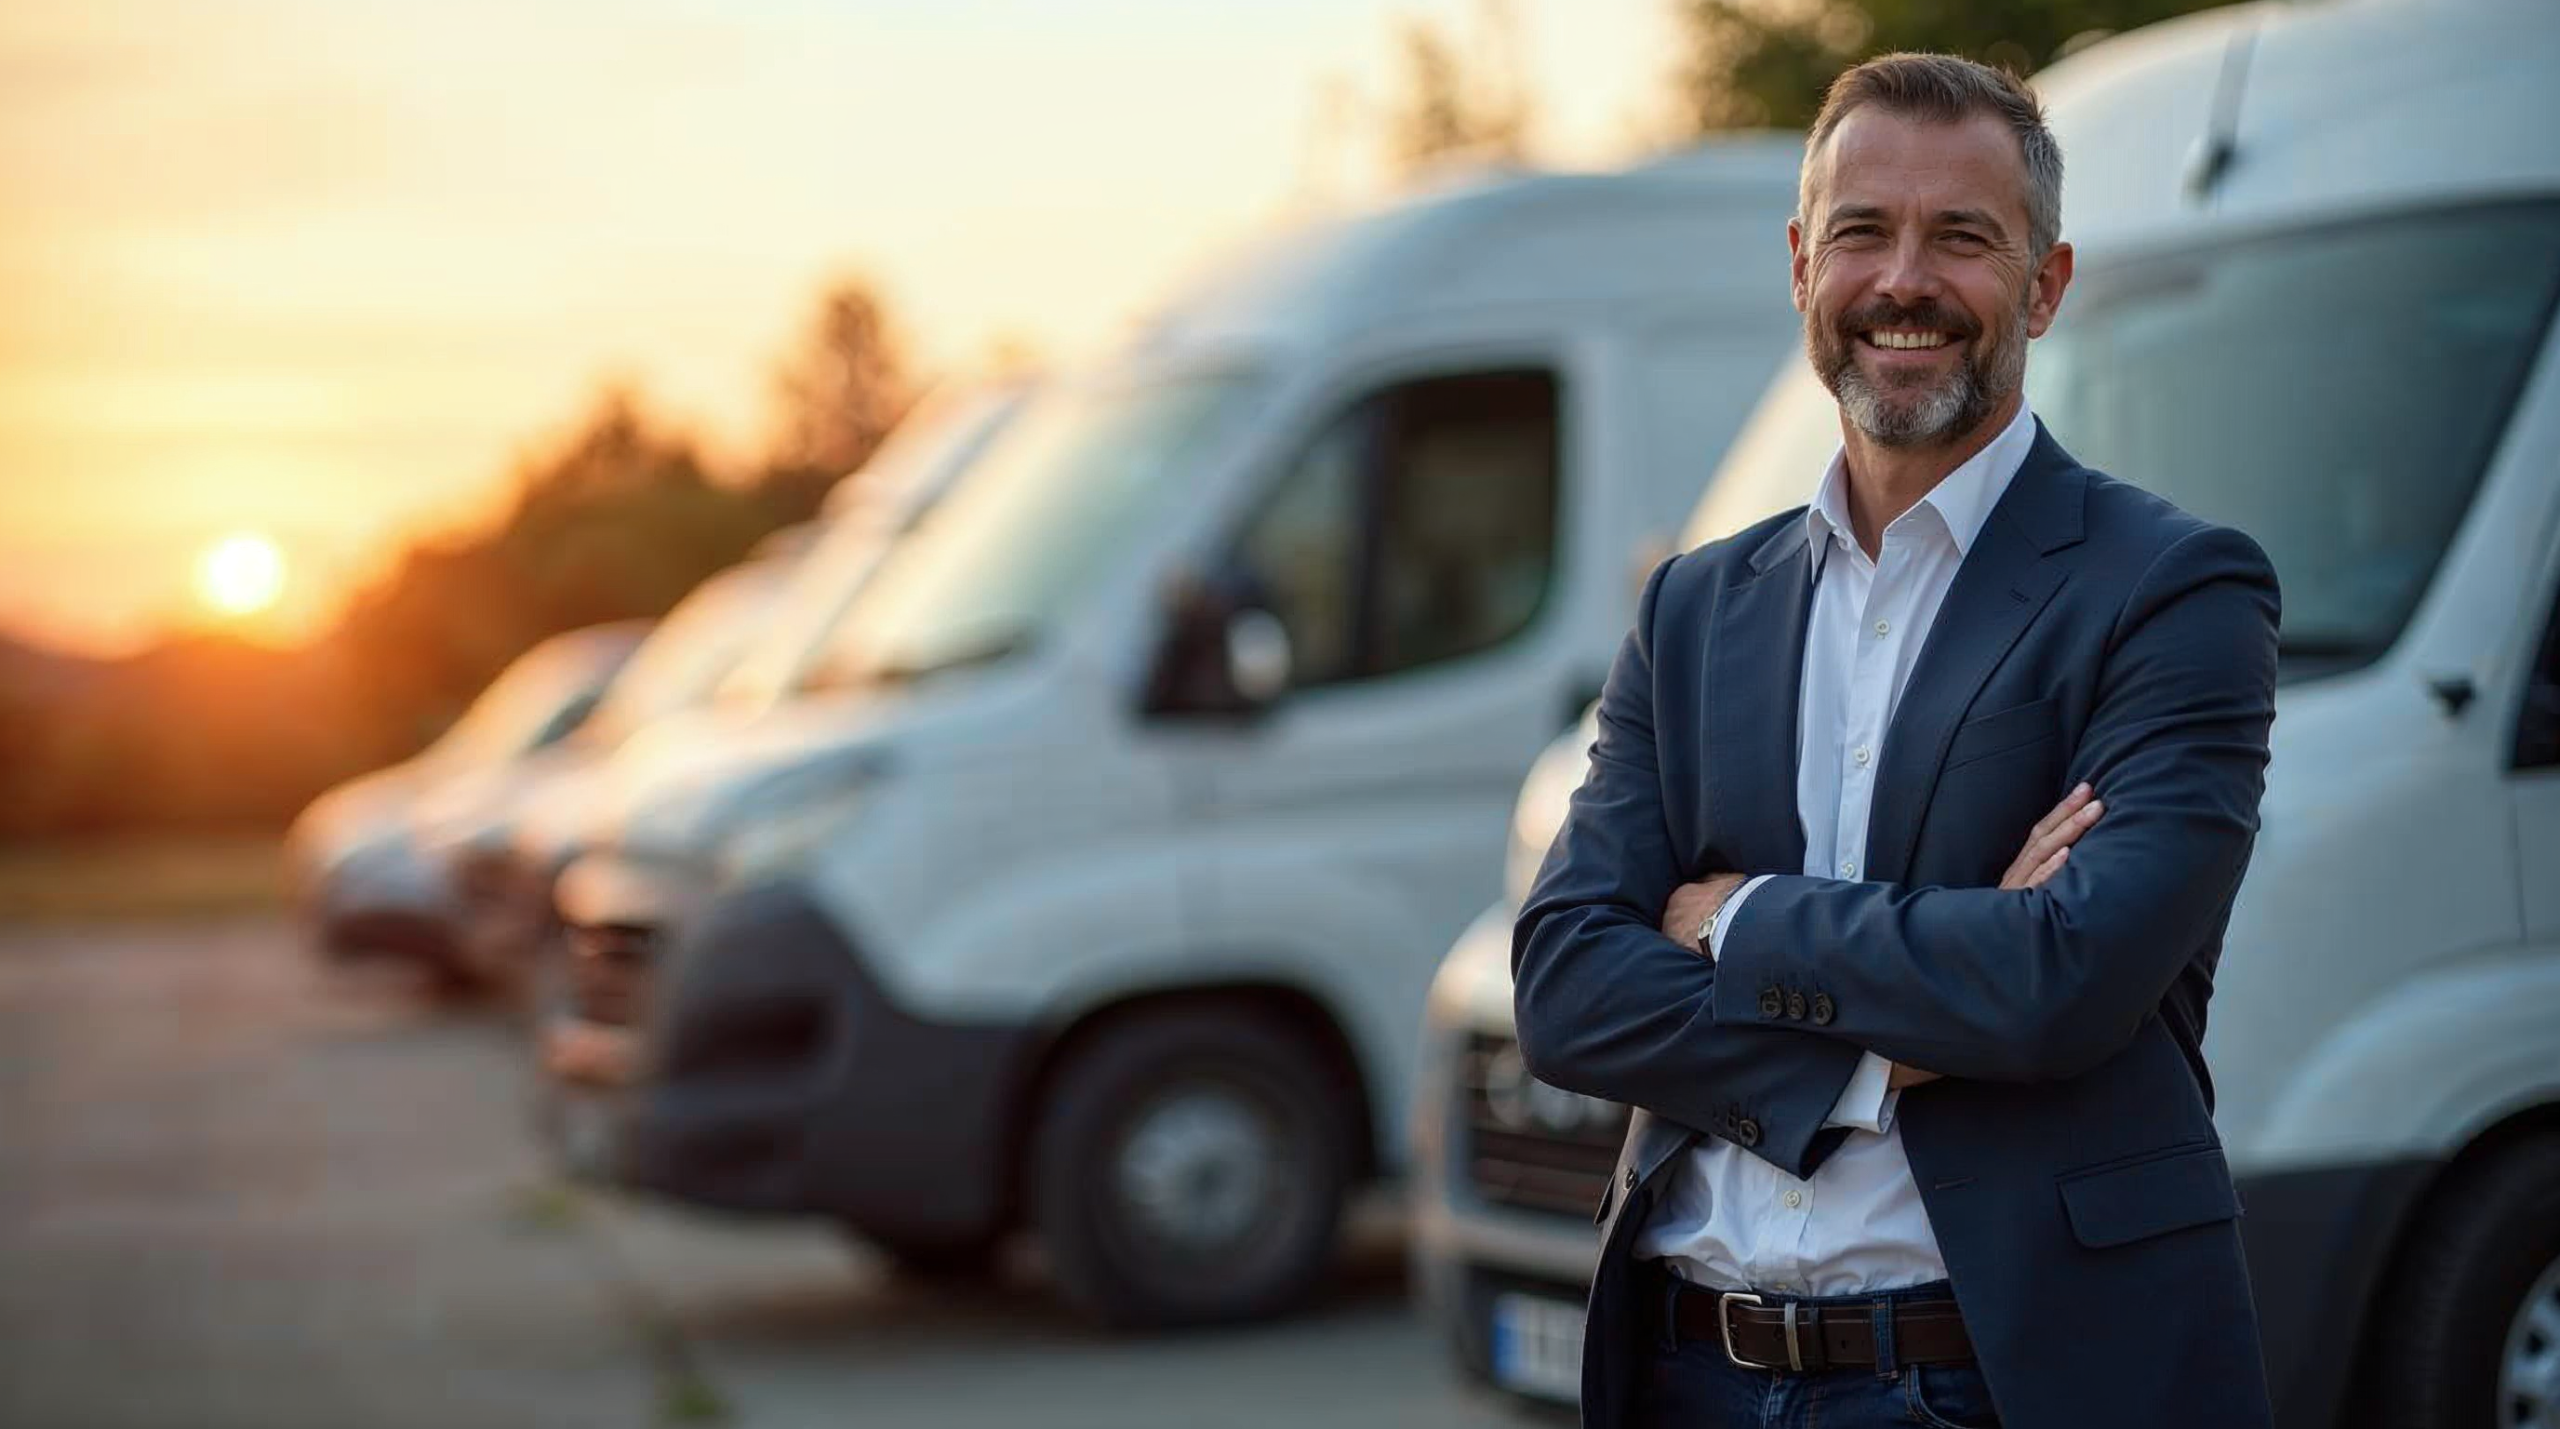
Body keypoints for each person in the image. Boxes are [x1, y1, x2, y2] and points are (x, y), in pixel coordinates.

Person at [1511, 53, 2279, 1429]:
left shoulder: (2172, 589)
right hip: (1693, 1374)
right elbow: (1566, 983)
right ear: (1804, 266)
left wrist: (1740, 916)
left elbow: (2066, 980)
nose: (1904, 281)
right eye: (1864, 231)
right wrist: (1892, 1032)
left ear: (2044, 285)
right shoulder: (1694, 606)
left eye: (1962, 237)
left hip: (2006, 1378)